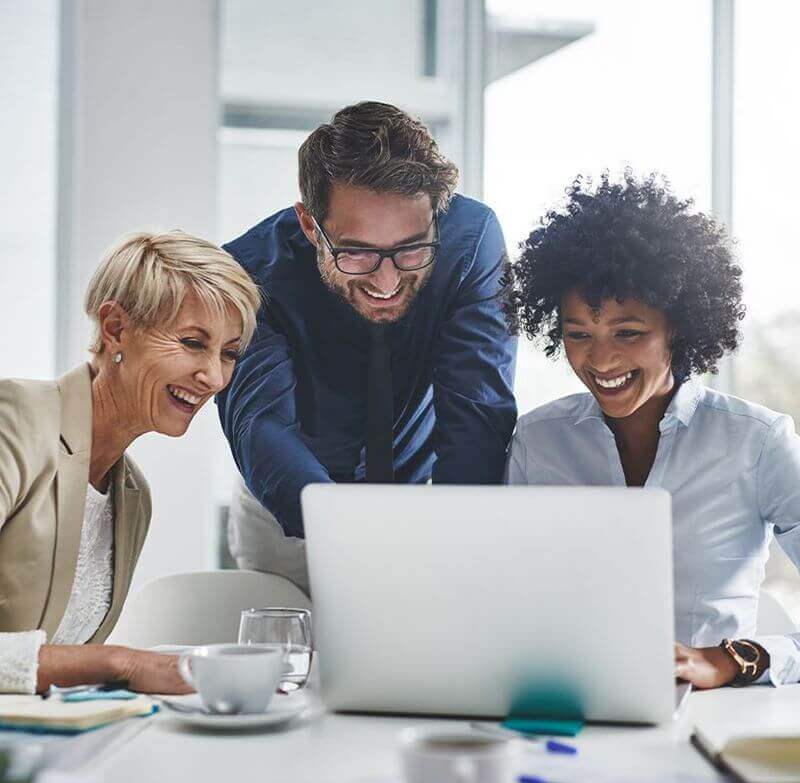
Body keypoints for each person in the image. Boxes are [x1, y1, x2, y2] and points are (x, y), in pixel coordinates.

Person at [503, 172, 800, 689]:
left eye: (628, 333)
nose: (599, 359)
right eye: (578, 334)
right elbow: (504, 598)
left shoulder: (757, 442)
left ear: (679, 328)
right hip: (572, 704)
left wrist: (732, 659)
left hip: (711, 718)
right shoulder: (537, 440)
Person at [218, 101, 517, 592]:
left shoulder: (471, 240)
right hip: (289, 517)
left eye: (410, 248)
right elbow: (262, 424)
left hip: (425, 501)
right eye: (356, 252)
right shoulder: (247, 272)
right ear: (311, 225)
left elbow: (477, 410)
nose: (386, 279)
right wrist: (353, 539)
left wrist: (458, 540)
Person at [0, 231, 261, 694]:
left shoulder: (132, 496)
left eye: (229, 353)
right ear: (116, 328)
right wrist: (119, 662)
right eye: (192, 342)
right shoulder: (14, 421)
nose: (215, 377)